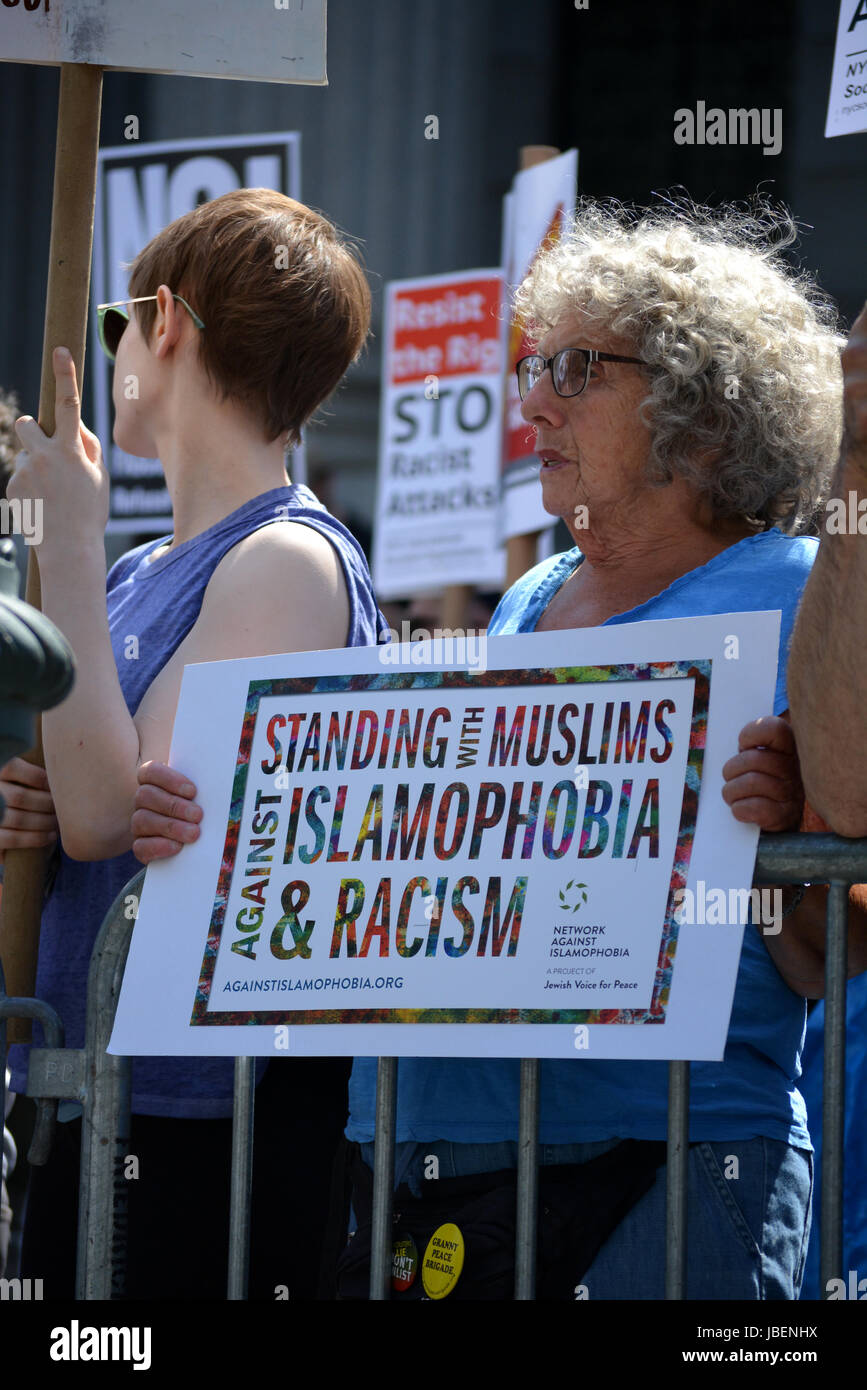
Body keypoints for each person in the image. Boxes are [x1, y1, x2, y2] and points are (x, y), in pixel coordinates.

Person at [134, 198, 867, 1300]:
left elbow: (828, 944)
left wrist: (776, 839)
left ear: (703, 409)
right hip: (430, 1176)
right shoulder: (526, 598)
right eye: (534, 366)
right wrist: (225, 831)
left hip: (666, 1175)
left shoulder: (805, 595)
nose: (530, 402)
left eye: (576, 370)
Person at [2, 187, 384, 1299]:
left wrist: (65, 545)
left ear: (164, 320)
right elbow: (86, 804)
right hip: (97, 1086)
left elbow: (115, 811)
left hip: (205, 1120)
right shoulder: (138, 573)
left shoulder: (286, 558)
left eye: (121, 321)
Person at [788, 300, 867, 837]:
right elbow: (845, 796)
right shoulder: (535, 591)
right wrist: (858, 446)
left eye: (585, 370)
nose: (532, 405)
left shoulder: (785, 580)